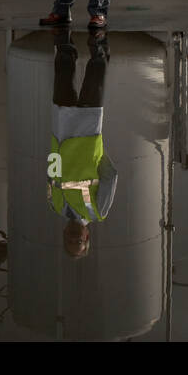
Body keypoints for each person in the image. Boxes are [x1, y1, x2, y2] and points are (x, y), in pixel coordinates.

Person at [47, 30, 115, 258]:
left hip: (62, 133)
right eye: (79, 240)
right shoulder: (97, 211)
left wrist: (56, 149)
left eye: (70, 239)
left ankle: (63, 30)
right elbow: (110, 177)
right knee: (95, 78)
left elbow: (52, 175)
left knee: (62, 75)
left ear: (64, 234)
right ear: (87, 236)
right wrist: (95, 155)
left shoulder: (55, 206)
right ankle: (99, 36)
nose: (74, 236)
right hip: (87, 136)